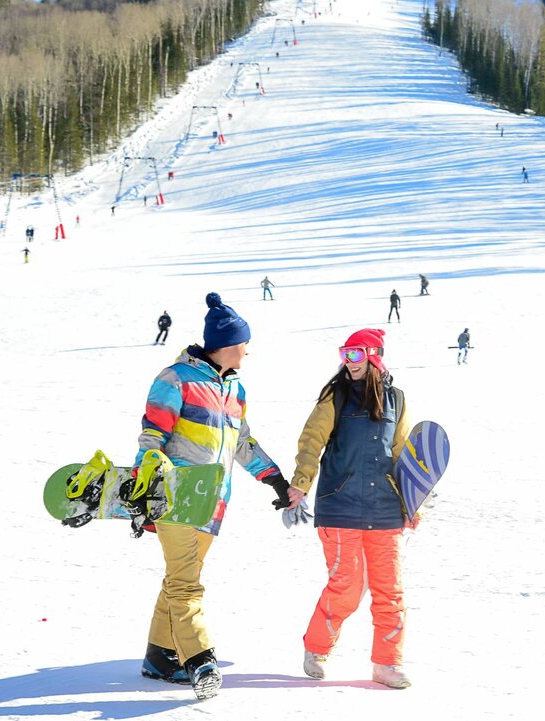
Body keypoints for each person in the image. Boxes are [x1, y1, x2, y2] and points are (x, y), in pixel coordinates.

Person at [136, 293, 291, 701]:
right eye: (244, 343)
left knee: (179, 577)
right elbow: (152, 436)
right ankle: (200, 659)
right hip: (176, 496)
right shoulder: (176, 379)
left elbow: (242, 442)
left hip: (213, 500)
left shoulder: (234, 389)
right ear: (226, 344)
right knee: (187, 584)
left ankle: (159, 655)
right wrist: (146, 486)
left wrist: (273, 478)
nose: (247, 350)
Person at [285, 328, 414, 689]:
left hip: (385, 511)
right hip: (340, 507)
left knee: (390, 591)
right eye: (345, 354)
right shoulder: (335, 395)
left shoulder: (397, 400)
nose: (348, 362)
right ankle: (317, 648)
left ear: (373, 355)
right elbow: (312, 440)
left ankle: (388, 663)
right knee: (347, 586)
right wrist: (301, 482)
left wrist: (412, 502)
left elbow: (403, 453)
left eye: (355, 354)